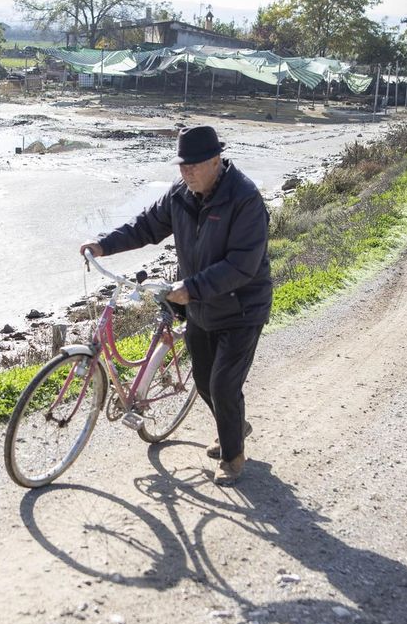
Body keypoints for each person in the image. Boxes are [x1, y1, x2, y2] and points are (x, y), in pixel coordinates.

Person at [79, 125, 271, 484]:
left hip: (242, 307)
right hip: (200, 306)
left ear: (215, 161)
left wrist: (192, 287)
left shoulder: (244, 198)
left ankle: (232, 456)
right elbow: (146, 226)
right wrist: (104, 244)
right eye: (182, 165)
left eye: (194, 165)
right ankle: (234, 425)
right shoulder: (181, 194)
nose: (187, 172)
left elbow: (242, 264)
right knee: (203, 380)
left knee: (223, 384)